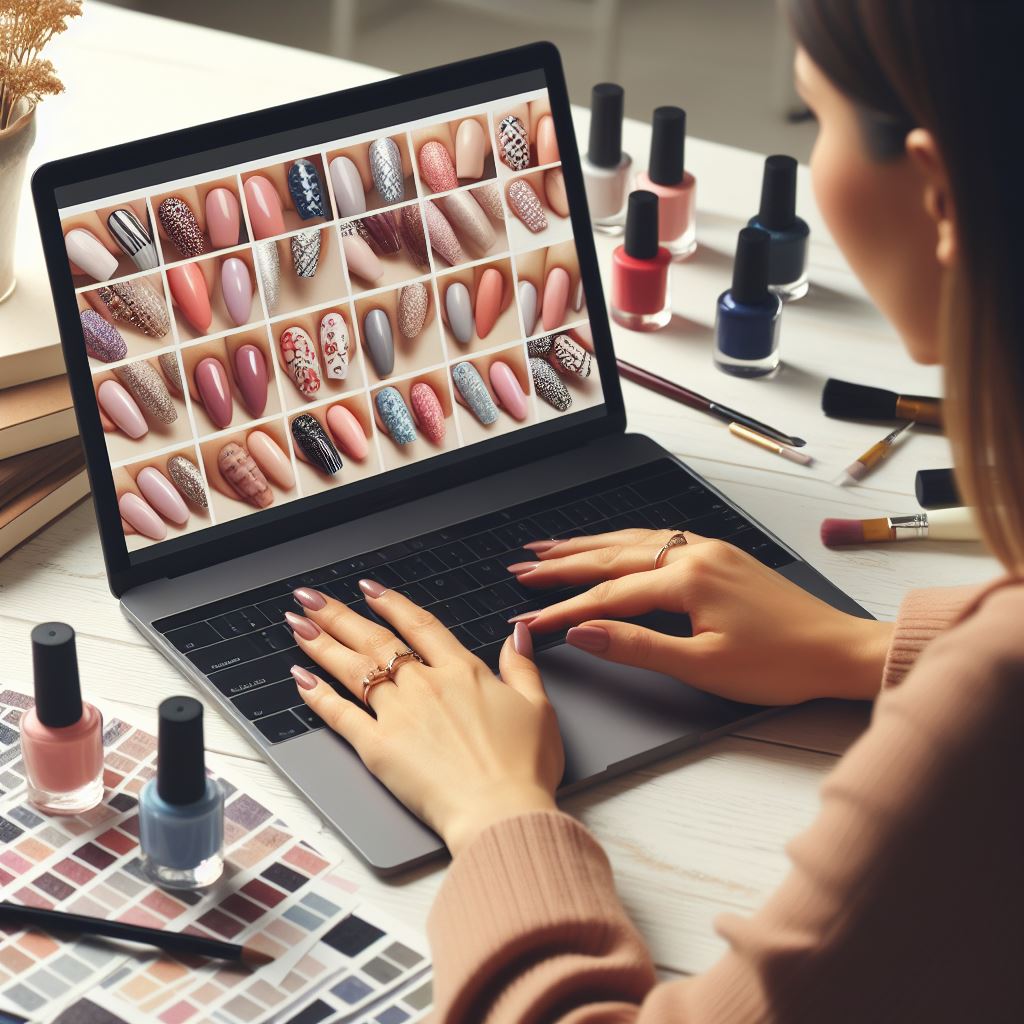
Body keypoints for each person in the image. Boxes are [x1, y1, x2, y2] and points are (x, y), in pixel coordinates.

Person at [285, 1, 1024, 1019]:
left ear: (937, 192)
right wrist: (865, 648)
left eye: (813, 122)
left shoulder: (992, 710)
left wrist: (493, 808)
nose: (812, 163)